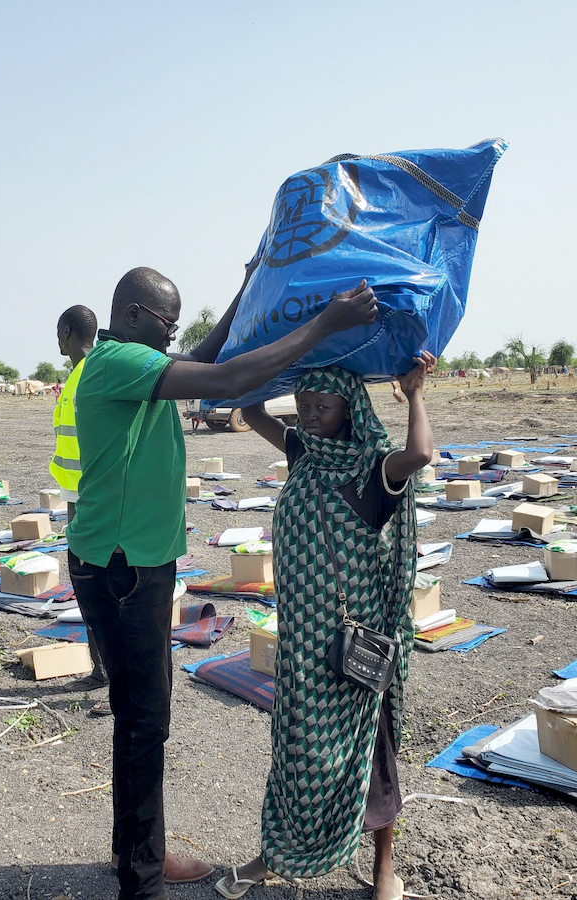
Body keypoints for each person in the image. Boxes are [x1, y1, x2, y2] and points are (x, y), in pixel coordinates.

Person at [66, 265, 378, 900]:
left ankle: (138, 854)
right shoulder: (117, 360)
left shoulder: (133, 361)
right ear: (131, 316)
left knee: (141, 715)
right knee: (143, 720)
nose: (173, 335)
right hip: (125, 569)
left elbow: (207, 358)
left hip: (124, 561)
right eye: (166, 323)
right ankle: (142, 880)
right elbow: (227, 378)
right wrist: (327, 321)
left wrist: (249, 290)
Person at [218, 355, 434, 900]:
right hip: (301, 639)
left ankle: (386, 866)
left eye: (323, 406)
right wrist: (275, 352)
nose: (309, 416)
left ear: (350, 409)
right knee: (297, 750)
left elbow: (421, 454)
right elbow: (248, 408)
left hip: (353, 646)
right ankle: (276, 853)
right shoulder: (302, 453)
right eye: (303, 405)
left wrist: (412, 395)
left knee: (371, 749)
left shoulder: (373, 468)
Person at [49, 304, 109, 695]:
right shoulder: (74, 377)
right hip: (77, 500)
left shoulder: (95, 371)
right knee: (88, 592)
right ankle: (100, 671)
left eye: (58, 332)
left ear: (68, 331)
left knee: (102, 592)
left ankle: (113, 680)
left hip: (93, 501)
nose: (56, 340)